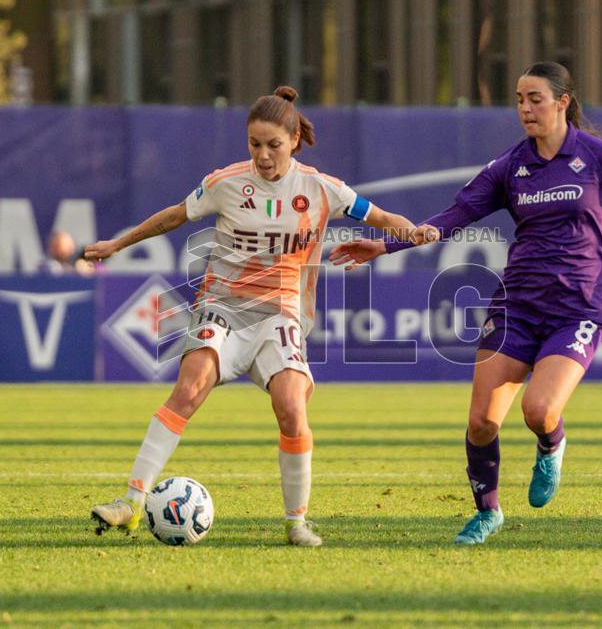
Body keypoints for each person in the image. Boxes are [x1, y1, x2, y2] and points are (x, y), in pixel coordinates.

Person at [330, 62, 602, 545]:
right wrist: (389, 245)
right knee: (481, 421)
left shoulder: (601, 158)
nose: (524, 108)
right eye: (519, 99)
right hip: (516, 304)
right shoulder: (510, 166)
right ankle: (488, 512)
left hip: (577, 309)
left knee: (538, 411)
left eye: (534, 98)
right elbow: (455, 215)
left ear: (562, 102)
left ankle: (551, 445)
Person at [85, 86, 427, 546]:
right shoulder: (226, 183)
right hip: (221, 306)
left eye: (273, 145)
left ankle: (296, 522)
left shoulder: (322, 189)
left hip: (280, 316)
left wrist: (416, 233)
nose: (263, 156)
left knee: (291, 407)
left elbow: (381, 217)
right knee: (188, 389)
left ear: (294, 142)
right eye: (254, 144)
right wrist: (116, 244)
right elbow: (173, 217)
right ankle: (131, 502)